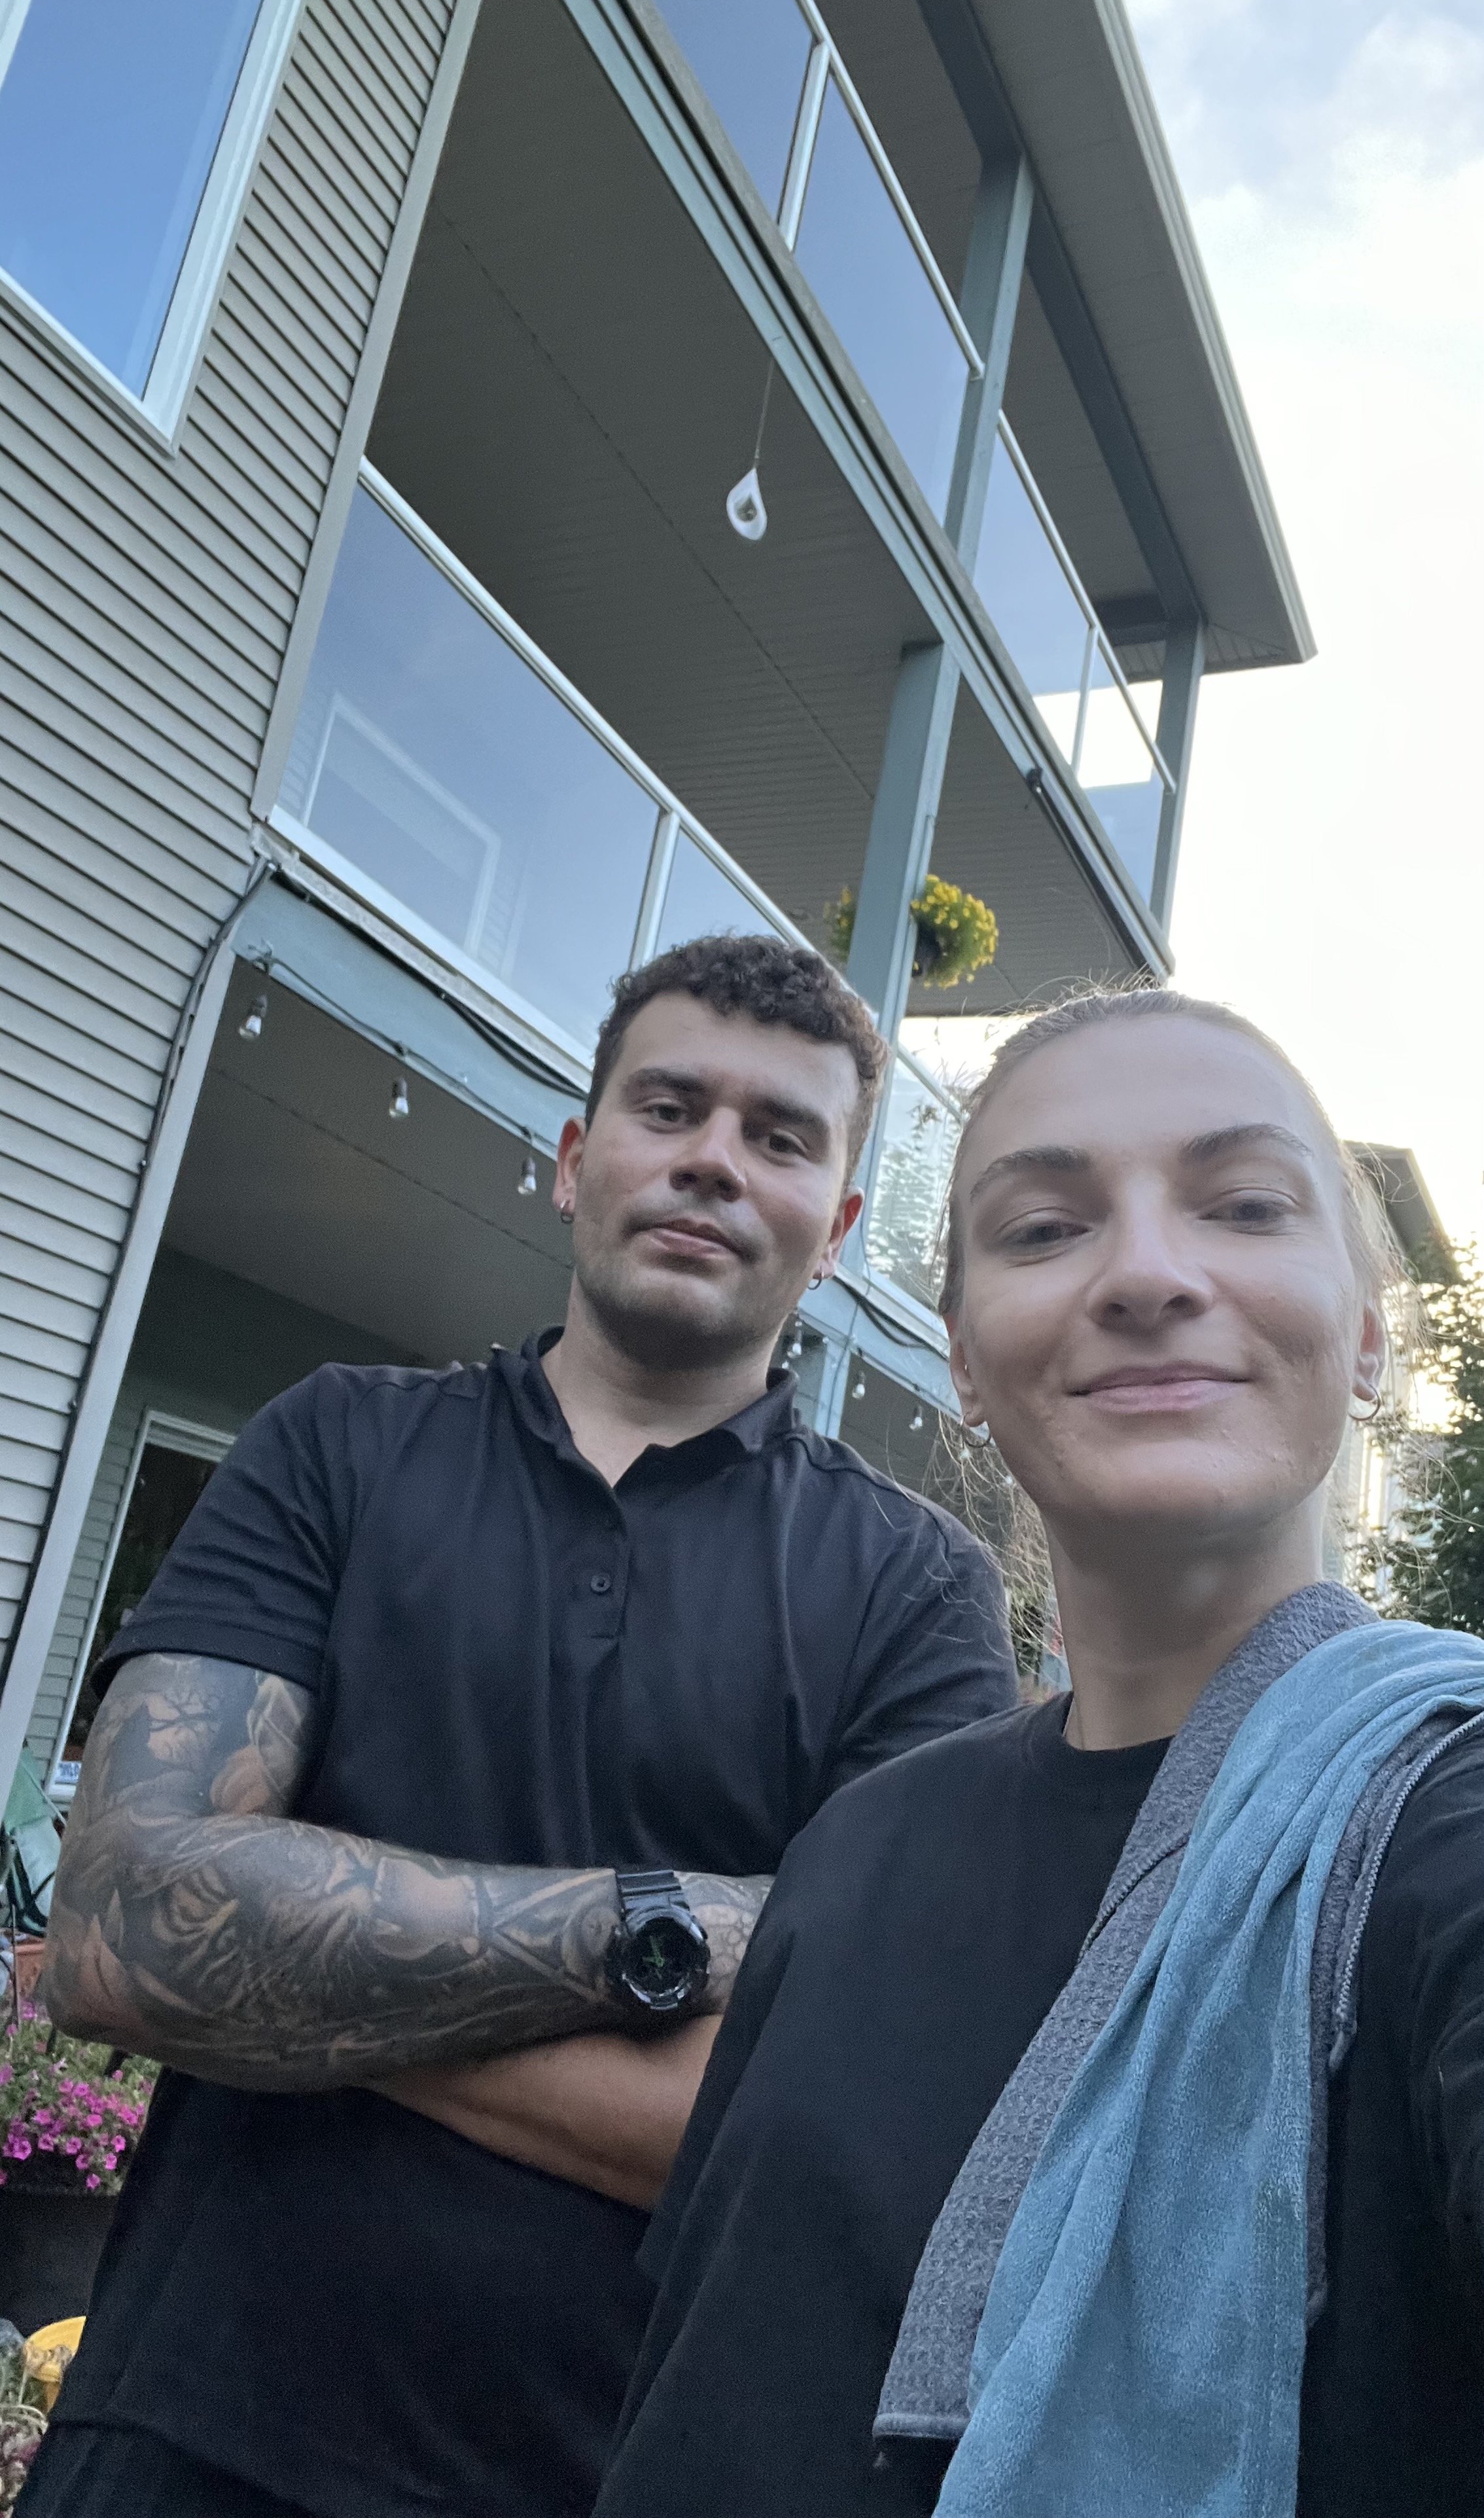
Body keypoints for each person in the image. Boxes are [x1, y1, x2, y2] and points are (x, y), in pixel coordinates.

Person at [27, 934, 1014, 2518]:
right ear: (574, 1160)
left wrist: (295, 1992)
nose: (709, 1162)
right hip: (177, 2439)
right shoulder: (337, 1449)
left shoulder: (915, 1592)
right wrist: (677, 1925)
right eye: (668, 1108)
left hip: (611, 2478)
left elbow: (840, 2128)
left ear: (835, 1231)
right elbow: (125, 1929)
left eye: (777, 1138)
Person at [594, 985, 1484, 2518]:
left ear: (1364, 1339)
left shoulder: (1440, 1823)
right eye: (1043, 1229)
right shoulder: (856, 1851)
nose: (1145, 1274)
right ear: (959, 1358)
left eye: (1246, 1204)